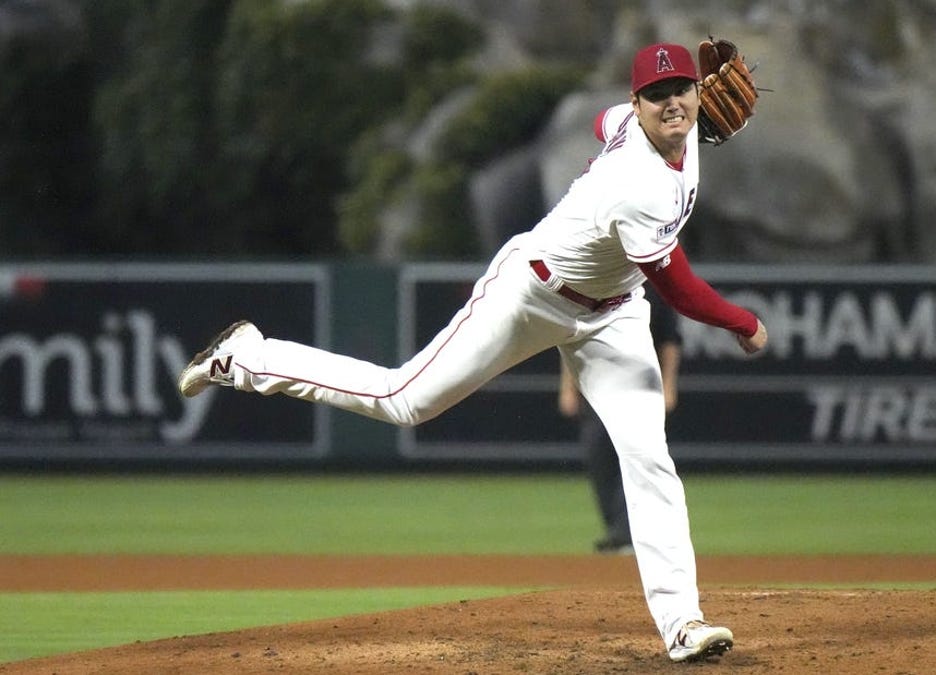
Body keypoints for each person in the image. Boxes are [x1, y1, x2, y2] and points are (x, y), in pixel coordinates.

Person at [177, 41, 767, 664]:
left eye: (680, 88)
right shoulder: (635, 183)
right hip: (532, 293)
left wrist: (684, 123)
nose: (671, 101)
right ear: (637, 103)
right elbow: (680, 288)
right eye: (656, 94)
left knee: (650, 457)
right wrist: (745, 322)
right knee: (405, 401)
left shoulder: (661, 124)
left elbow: (603, 122)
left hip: (614, 315)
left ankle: (682, 624)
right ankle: (248, 357)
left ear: (699, 94)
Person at [559, 290, 680, 555]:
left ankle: (633, 534)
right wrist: (567, 387)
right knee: (598, 457)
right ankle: (617, 532)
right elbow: (570, 336)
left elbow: (669, 342)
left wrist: (669, 386)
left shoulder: (654, 287)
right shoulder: (595, 280)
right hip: (594, 383)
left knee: (636, 457)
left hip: (638, 385)